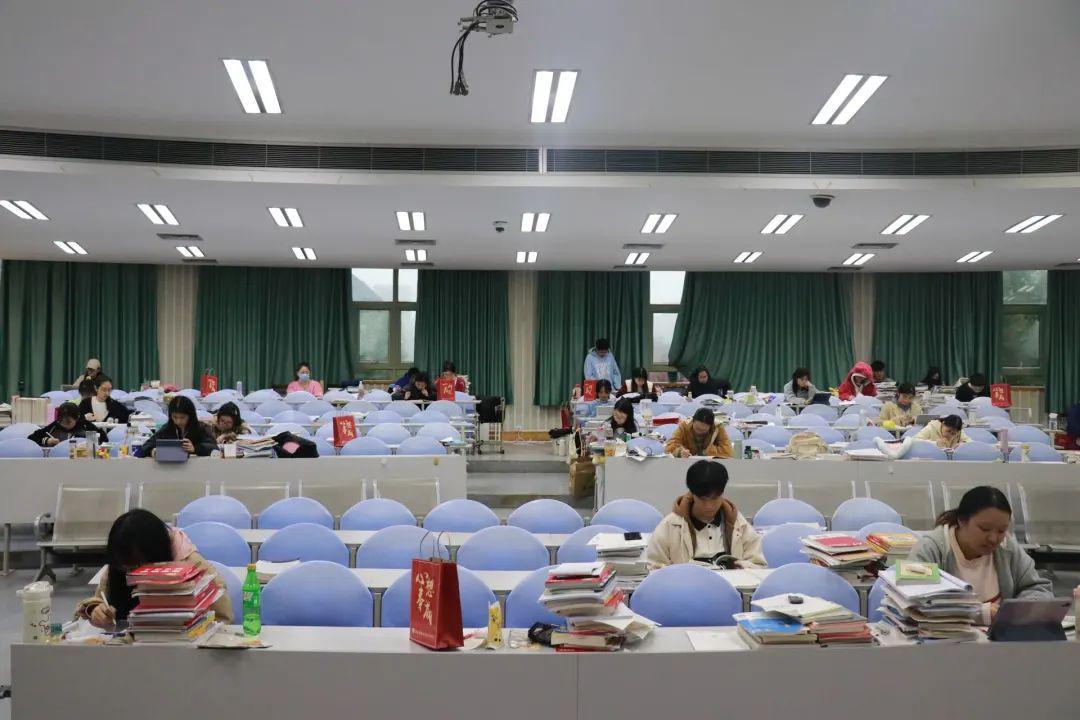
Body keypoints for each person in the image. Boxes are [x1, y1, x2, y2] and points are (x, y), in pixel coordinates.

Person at [908, 486, 1051, 625]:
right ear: (961, 521)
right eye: (984, 529)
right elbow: (914, 602)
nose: (993, 539)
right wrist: (978, 613)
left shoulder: (1007, 548)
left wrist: (1016, 611)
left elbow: (1038, 588)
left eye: (1001, 531)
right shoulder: (930, 549)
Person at [75, 509, 233, 628]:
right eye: (124, 567)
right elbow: (98, 601)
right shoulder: (119, 565)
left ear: (156, 553)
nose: (129, 573)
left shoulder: (194, 566)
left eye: (136, 565)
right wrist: (95, 610)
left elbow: (222, 620)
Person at [645, 461, 765, 570]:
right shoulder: (670, 525)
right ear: (692, 494)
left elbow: (759, 565)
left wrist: (744, 566)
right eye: (702, 499)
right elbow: (653, 568)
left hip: (731, 586)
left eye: (715, 498)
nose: (709, 506)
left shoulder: (738, 522)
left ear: (722, 493)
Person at [138, 396, 217, 458]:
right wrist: (153, 451)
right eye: (175, 417)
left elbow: (214, 448)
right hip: (170, 469)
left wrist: (195, 449)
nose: (178, 421)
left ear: (190, 416)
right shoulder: (166, 429)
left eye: (182, 417)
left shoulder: (201, 428)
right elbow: (146, 446)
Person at [665, 407, 733, 458]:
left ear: (710, 426)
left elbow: (728, 453)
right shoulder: (684, 426)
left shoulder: (717, 428)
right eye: (697, 428)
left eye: (703, 430)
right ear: (693, 421)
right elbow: (670, 447)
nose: (699, 432)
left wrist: (708, 451)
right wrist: (680, 452)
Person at [29, 402, 107, 447]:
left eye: (68, 422)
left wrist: (91, 443)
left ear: (77, 418)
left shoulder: (85, 425)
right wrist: (46, 441)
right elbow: (32, 438)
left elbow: (104, 439)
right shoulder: (55, 425)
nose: (64, 425)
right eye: (62, 422)